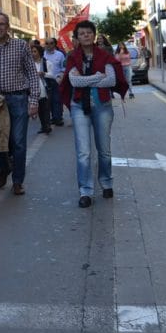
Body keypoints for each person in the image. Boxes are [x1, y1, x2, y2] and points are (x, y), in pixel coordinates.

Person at [60, 20, 121, 208]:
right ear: (77, 38)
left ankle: (106, 183)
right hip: (79, 106)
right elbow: (74, 82)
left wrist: (86, 79)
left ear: (94, 35)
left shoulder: (105, 55)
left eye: (88, 32)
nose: (85, 35)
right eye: (82, 33)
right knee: (83, 152)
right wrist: (97, 77)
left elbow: (111, 80)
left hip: (102, 106)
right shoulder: (72, 57)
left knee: (104, 150)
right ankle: (85, 191)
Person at [0, 12, 40, 196]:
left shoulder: (21, 45)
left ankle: (17, 181)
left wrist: (34, 101)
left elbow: (32, 74)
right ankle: (4, 169)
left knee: (18, 142)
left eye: (2, 24)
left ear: (8, 26)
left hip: (18, 99)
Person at [43, 37, 65, 126]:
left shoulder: (60, 55)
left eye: (51, 43)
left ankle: (58, 118)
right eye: (47, 43)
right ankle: (53, 117)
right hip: (45, 80)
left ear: (55, 44)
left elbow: (64, 67)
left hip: (56, 80)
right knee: (48, 100)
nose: (49, 45)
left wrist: (60, 77)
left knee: (57, 99)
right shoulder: (42, 55)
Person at [31, 44, 52, 134]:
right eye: (32, 52)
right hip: (33, 89)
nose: (33, 53)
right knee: (39, 109)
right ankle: (44, 126)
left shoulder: (46, 63)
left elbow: (52, 75)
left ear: (39, 52)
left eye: (35, 51)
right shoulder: (29, 64)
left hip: (45, 88)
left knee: (46, 108)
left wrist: (44, 74)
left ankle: (47, 126)